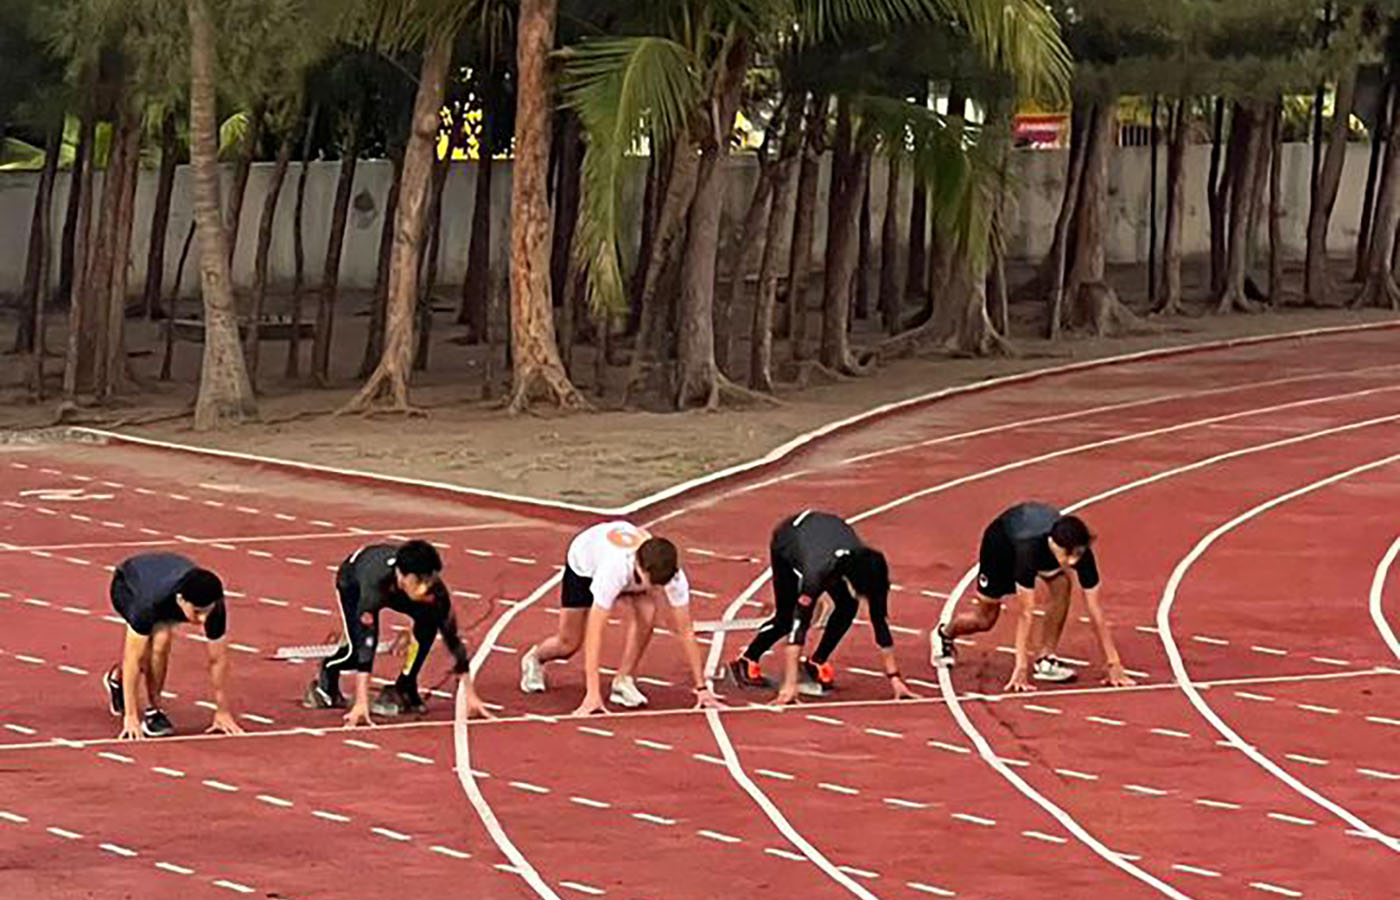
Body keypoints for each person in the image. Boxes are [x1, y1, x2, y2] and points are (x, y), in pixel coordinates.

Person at [519, 521, 720, 716]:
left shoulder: (672, 575)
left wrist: (701, 689)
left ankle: (623, 680)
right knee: (569, 643)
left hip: (628, 566)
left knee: (647, 615)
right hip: (584, 566)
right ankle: (535, 659)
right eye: (651, 583)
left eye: (661, 585)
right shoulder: (613, 570)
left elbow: (684, 629)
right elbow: (595, 632)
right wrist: (593, 694)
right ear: (640, 568)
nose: (655, 588)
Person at [931, 502, 1135, 692]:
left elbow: (1095, 610)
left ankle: (1046, 658)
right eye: (1069, 555)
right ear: (1055, 544)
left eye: (1078, 555)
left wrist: (1113, 664)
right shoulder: (1027, 551)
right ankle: (944, 634)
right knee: (985, 619)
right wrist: (1020, 668)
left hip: (1036, 543)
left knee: (1063, 583)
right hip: (1001, 548)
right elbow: (1025, 613)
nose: (1073, 562)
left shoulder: (1080, 553)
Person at [727, 511, 918, 706]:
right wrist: (790, 685)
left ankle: (816, 661)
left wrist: (895, 678)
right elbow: (798, 627)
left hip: (825, 537)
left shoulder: (874, 567)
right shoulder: (817, 572)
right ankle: (748, 658)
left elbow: (879, 620)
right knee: (786, 620)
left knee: (848, 606)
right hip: (788, 539)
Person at [303, 539, 490, 726]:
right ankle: (328, 672)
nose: (425, 589)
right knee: (356, 651)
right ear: (402, 575)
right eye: (419, 582)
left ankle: (405, 685)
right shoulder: (375, 585)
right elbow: (366, 645)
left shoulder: (434, 592)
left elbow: (453, 641)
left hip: (392, 584)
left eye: (429, 581)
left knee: (429, 624)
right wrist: (361, 703)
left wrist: (470, 694)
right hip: (353, 582)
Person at [103, 553, 242, 740]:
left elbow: (218, 660)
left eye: (206, 613)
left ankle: (130, 690)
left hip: (164, 577)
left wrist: (223, 711)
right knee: (156, 642)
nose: (202, 619)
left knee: (160, 642)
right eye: (197, 612)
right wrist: (131, 716)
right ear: (181, 600)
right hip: (127, 586)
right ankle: (153, 708)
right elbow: (132, 659)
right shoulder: (148, 603)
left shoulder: (214, 606)